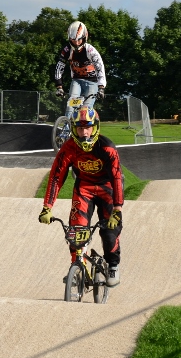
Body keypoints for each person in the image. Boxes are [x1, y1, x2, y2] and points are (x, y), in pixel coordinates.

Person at [38, 106, 123, 287]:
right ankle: (77, 265)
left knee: (109, 232)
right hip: (84, 188)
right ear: (73, 128)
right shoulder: (68, 147)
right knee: (76, 231)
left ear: (95, 127)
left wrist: (118, 208)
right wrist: (47, 206)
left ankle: (113, 265)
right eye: (79, 128)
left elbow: (116, 177)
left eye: (88, 127)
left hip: (107, 188)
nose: (84, 132)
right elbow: (56, 176)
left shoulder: (107, 148)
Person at [53, 21, 107, 118]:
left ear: (84, 37)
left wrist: (101, 87)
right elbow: (59, 67)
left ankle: (85, 131)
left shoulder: (91, 51)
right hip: (77, 81)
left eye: (79, 40)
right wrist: (59, 87)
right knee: (71, 106)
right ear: (69, 39)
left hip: (92, 82)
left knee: (86, 109)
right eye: (73, 40)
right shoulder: (67, 50)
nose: (76, 43)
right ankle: (67, 129)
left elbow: (100, 68)